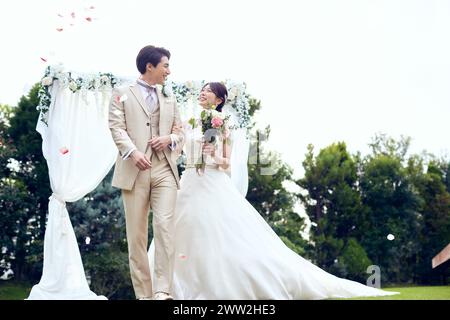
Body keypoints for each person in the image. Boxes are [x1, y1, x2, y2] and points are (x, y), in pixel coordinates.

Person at [148, 82, 398, 299]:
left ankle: (221, 287)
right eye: (202, 89)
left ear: (220, 99)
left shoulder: (222, 124)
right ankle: (172, 289)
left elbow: (227, 164)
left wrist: (212, 156)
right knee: (180, 233)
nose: (202, 93)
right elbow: (178, 151)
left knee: (217, 236)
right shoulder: (190, 123)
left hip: (212, 184)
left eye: (209, 91)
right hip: (189, 183)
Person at [109, 45, 184, 300]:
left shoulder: (170, 98)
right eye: (165, 65)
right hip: (134, 171)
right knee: (137, 236)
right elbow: (116, 128)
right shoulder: (121, 93)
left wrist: (168, 139)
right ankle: (144, 295)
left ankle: (163, 291)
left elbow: (180, 132)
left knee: (165, 227)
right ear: (149, 66)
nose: (169, 71)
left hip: (164, 170)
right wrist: (132, 152)